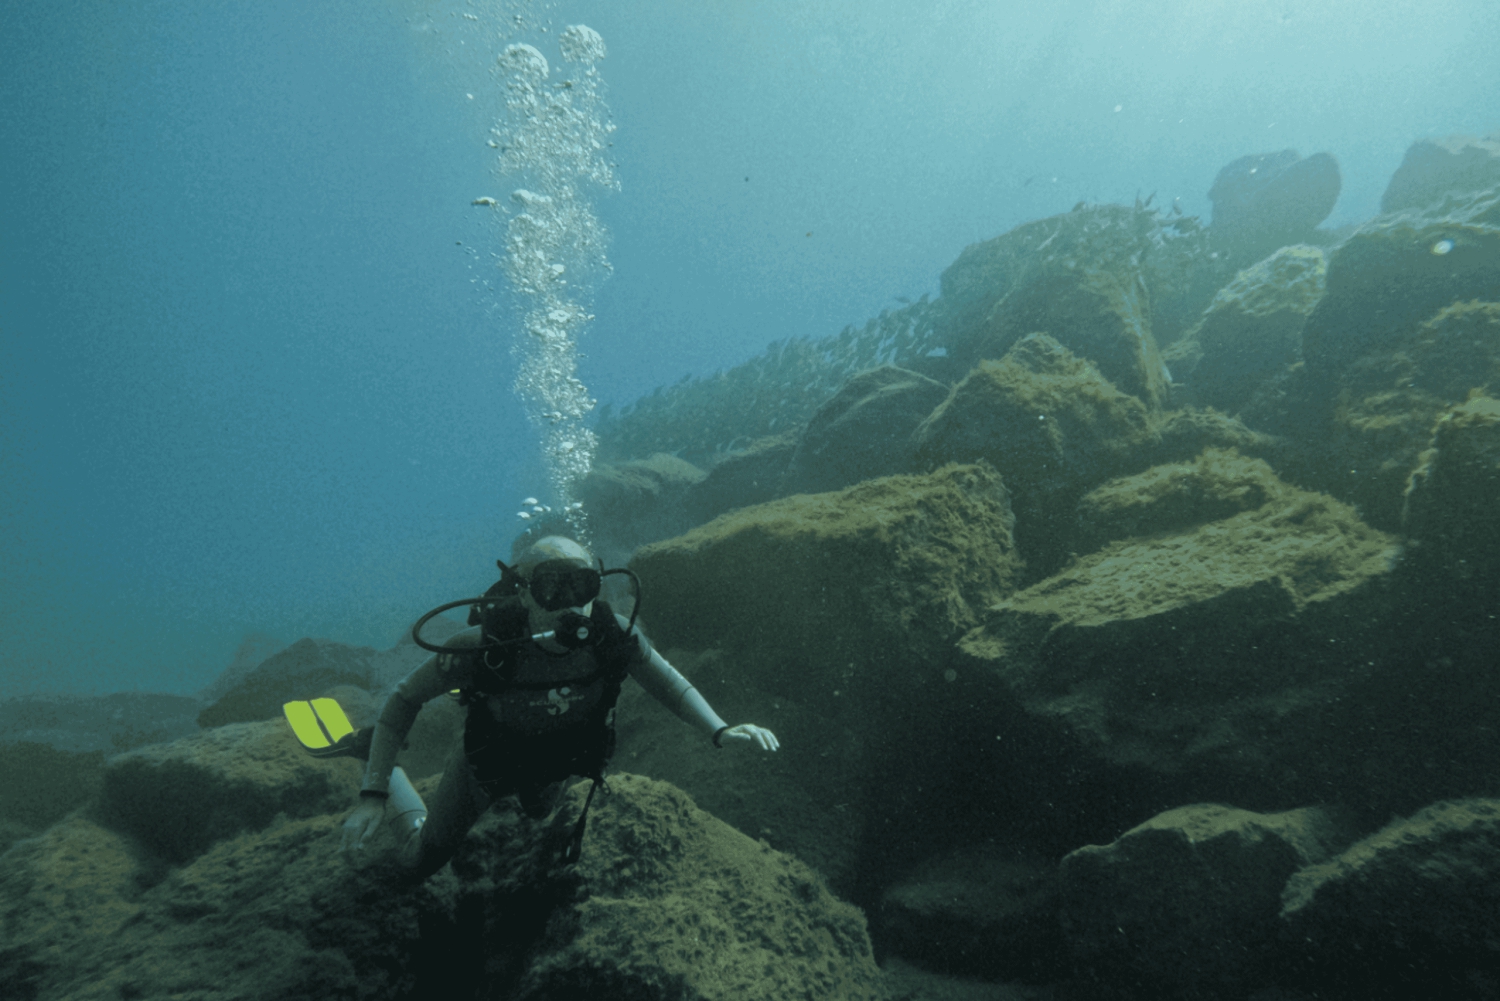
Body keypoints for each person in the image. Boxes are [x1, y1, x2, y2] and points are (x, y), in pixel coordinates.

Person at [340, 535, 779, 878]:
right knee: (422, 861)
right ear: (525, 593)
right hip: (485, 766)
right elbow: (403, 699)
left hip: (556, 766)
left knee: (537, 812)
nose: (571, 601)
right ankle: (393, 780)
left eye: (583, 585)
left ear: (597, 587)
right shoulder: (484, 647)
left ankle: (520, 799)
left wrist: (720, 730)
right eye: (553, 586)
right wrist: (372, 795)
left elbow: (669, 684)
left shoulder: (614, 638)